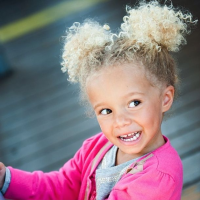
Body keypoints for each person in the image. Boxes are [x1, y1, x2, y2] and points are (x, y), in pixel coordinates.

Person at [0, 1, 197, 199]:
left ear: (165, 98)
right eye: (106, 111)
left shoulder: (158, 177)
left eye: (134, 103)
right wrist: (6, 178)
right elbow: (62, 185)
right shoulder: (97, 147)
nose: (121, 121)